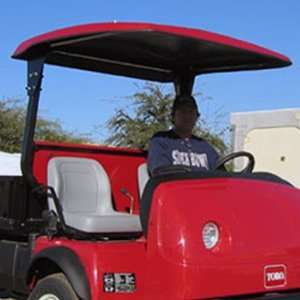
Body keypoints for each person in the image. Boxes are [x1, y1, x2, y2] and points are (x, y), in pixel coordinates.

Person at [147, 95, 219, 176]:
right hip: (175, 187)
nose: (187, 116)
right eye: (183, 112)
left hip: (205, 188)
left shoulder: (205, 146)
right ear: (173, 116)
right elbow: (160, 172)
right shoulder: (161, 140)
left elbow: (221, 173)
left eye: (191, 112)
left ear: (197, 116)